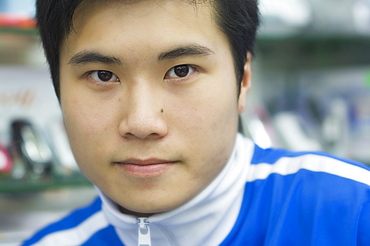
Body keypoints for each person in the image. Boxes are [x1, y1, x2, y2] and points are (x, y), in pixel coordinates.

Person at [23, 0, 370, 245]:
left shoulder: (353, 212)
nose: (142, 122)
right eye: (102, 75)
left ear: (243, 79)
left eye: (181, 70)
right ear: (58, 88)